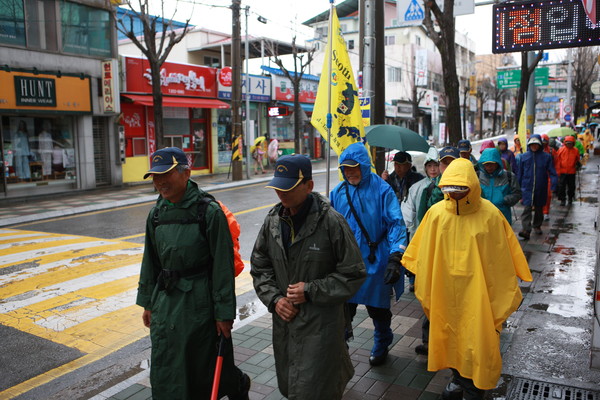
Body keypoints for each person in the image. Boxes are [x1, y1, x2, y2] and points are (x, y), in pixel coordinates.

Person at [402, 157, 533, 400]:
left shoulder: (490, 215)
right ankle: (458, 378)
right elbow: (421, 250)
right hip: (445, 292)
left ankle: (474, 386)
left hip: (479, 293)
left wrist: (510, 286)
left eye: (461, 187)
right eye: (451, 187)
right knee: (449, 339)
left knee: (479, 340)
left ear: (472, 185)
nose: (456, 192)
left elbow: (502, 257)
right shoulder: (436, 214)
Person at [136, 147, 250, 400]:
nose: (160, 182)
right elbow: (150, 261)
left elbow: (222, 267)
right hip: (166, 302)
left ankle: (236, 385)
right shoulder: (156, 215)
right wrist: (147, 302)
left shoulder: (208, 212)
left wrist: (224, 314)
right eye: (155, 177)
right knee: (167, 364)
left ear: (186, 173)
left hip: (200, 303)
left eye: (165, 174)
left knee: (201, 367)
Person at [251, 154, 366, 399]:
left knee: (318, 388)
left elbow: (353, 273)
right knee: (291, 384)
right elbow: (260, 267)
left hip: (321, 326)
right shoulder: (272, 221)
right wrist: (275, 300)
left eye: (289, 187)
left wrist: (312, 290)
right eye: (278, 187)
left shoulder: (332, 222)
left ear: (309, 186)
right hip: (285, 324)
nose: (281, 193)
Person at [330, 142, 407, 366]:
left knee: (378, 309)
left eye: (355, 167)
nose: (350, 172)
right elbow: (329, 228)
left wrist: (395, 255)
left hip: (377, 260)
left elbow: (396, 224)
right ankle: (340, 347)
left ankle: (382, 342)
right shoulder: (337, 193)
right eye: (346, 168)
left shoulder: (382, 190)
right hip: (347, 264)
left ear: (364, 166)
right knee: (344, 310)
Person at [402, 145, 458, 356]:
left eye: (438, 165)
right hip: (427, 247)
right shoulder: (419, 188)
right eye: (431, 166)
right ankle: (428, 341)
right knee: (428, 296)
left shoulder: (458, 188)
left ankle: (449, 343)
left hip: (452, 253)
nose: (435, 170)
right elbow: (410, 214)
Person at [517, 135, 558, 240]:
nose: (534, 147)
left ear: (540, 145)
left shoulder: (546, 157)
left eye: (536, 144)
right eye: (532, 144)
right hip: (527, 187)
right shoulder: (524, 157)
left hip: (541, 187)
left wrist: (554, 185)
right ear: (529, 145)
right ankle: (526, 229)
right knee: (527, 208)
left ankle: (537, 225)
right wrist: (517, 187)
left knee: (539, 208)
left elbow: (552, 172)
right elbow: (520, 173)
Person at [478, 148, 521, 224]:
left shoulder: (509, 176)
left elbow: (517, 194)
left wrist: (504, 200)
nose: (489, 167)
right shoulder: (477, 177)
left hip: (503, 217)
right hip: (483, 219)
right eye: (486, 164)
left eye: (492, 164)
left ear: (497, 163)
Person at [555, 136, 581, 206]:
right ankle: (563, 200)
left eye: (571, 143)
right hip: (562, 171)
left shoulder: (575, 150)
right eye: (568, 143)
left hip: (571, 171)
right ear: (565, 143)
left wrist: (578, 164)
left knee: (571, 186)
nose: (569, 145)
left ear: (573, 143)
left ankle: (570, 198)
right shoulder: (561, 150)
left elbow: (578, 159)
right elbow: (557, 160)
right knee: (562, 186)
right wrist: (557, 170)